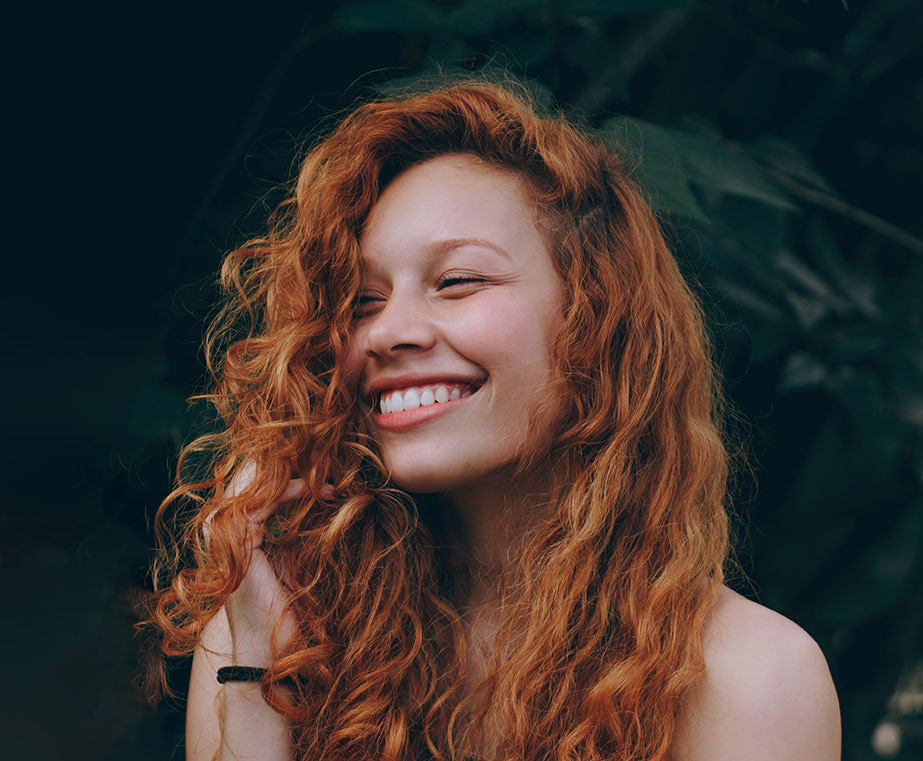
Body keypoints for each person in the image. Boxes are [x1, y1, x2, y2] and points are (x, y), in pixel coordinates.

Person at [149, 81, 841, 761]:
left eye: (457, 281)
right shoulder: (268, 632)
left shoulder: (751, 677)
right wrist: (252, 674)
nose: (389, 331)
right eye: (363, 300)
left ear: (597, 321)